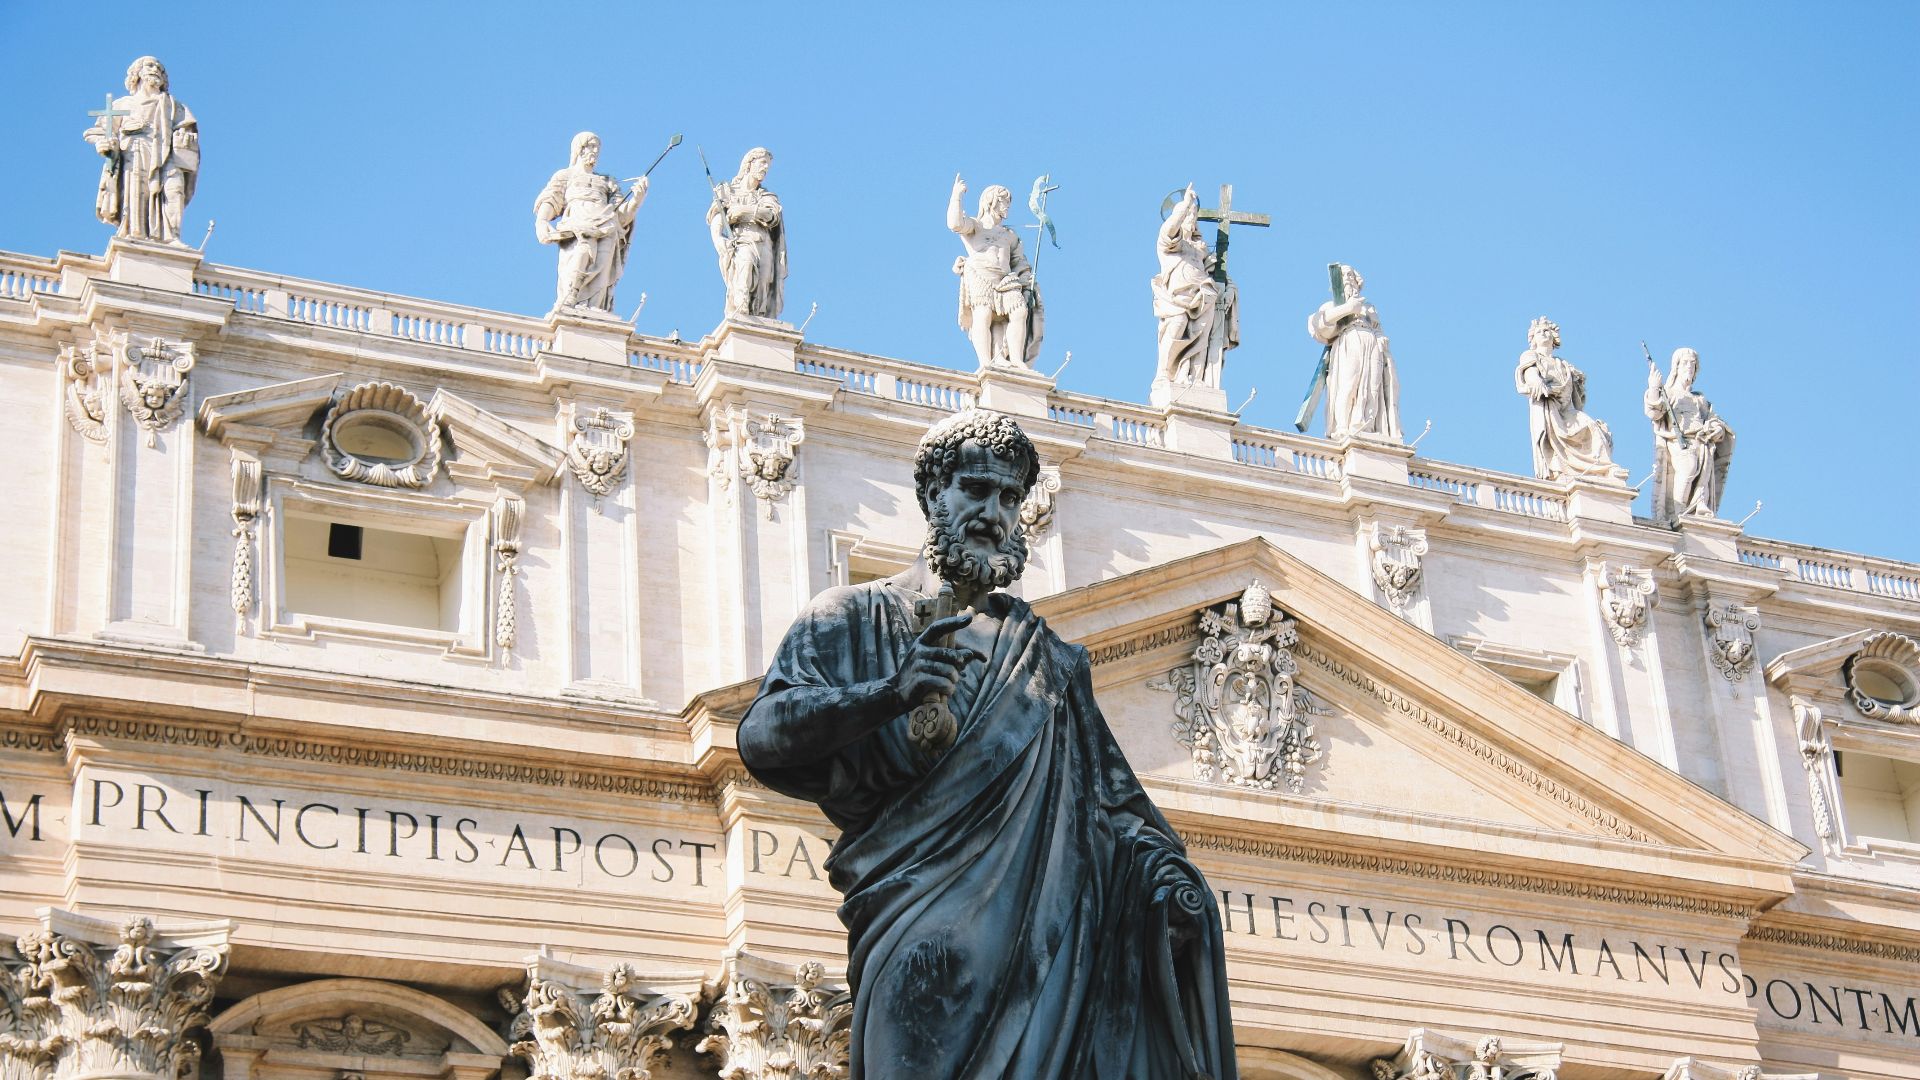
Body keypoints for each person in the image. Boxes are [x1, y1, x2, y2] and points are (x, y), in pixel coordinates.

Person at [739, 410, 1238, 1080]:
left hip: (1046, 957)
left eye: (1010, 499)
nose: (994, 513)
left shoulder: (1051, 663)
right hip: (917, 941)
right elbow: (763, 735)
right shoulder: (854, 616)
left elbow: (1117, 816)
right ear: (931, 496)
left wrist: (1167, 885)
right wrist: (889, 694)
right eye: (976, 490)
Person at [84, 56, 199, 245]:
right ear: (137, 73)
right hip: (134, 150)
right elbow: (97, 132)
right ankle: (134, 234)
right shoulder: (123, 104)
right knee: (137, 193)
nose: (155, 70)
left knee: (174, 190)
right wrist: (103, 143)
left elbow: (186, 128)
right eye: (150, 66)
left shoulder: (173, 105)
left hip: (166, 153)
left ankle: (171, 237)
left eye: (159, 68)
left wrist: (186, 135)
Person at [533, 132, 645, 313]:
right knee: (582, 253)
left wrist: (637, 200)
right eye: (590, 146)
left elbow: (622, 215)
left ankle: (594, 310)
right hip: (577, 225)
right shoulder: (566, 175)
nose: (595, 151)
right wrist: (542, 221)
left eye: (597, 148)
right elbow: (552, 198)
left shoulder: (607, 182)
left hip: (606, 226)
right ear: (579, 149)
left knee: (602, 270)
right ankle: (571, 300)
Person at [948, 176, 1043, 369]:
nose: (1007, 207)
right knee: (983, 315)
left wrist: (1026, 280)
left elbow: (1019, 262)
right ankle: (985, 362)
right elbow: (955, 224)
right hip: (980, 274)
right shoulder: (975, 225)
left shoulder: (1010, 235)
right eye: (1003, 202)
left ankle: (1015, 359)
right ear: (991, 201)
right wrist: (956, 196)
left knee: (1020, 311)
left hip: (1006, 279)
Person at [1513, 317, 1625, 481]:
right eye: (1539, 332)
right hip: (1549, 406)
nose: (1543, 333)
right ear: (1533, 339)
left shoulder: (1564, 364)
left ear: (1553, 337)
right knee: (1554, 437)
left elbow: (1576, 395)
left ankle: (1605, 468)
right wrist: (1536, 381)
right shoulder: (1530, 355)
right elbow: (1529, 373)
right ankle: (1560, 471)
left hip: (1568, 409)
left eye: (1546, 331)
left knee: (1591, 425)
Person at [1308, 264, 1400, 441]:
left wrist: (1381, 338)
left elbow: (1377, 328)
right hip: (1349, 340)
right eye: (1344, 275)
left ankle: (1369, 426)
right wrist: (1348, 308)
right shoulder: (1331, 305)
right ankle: (1343, 426)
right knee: (1349, 383)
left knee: (1373, 385)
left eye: (1351, 274)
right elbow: (1318, 326)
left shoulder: (1369, 307)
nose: (1349, 278)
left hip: (1371, 343)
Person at [1644, 346, 1735, 523]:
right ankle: (1678, 510)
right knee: (1689, 468)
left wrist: (1716, 428)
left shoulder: (1699, 399)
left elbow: (1714, 418)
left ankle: (1698, 506)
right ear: (1676, 367)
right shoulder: (1668, 393)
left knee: (1703, 474)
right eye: (1685, 363)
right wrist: (1654, 387)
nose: (1689, 366)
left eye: (1693, 364)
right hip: (1679, 441)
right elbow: (1654, 411)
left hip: (1702, 441)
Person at [1151, 185, 1220, 386]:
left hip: (1203, 297)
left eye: (1193, 216)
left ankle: (1194, 378)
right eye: (1188, 216)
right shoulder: (1169, 244)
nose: (1191, 219)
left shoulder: (1198, 250)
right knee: (1178, 323)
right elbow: (1169, 230)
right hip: (1176, 300)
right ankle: (1165, 373)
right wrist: (1185, 205)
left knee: (1202, 335)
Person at [708, 147, 787, 320]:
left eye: (768, 165)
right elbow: (717, 218)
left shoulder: (767, 196)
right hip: (742, 241)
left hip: (764, 244)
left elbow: (772, 216)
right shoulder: (728, 191)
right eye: (763, 162)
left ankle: (759, 326)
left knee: (763, 289)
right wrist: (718, 239)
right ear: (750, 163)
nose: (765, 168)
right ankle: (741, 318)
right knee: (745, 271)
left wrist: (742, 211)